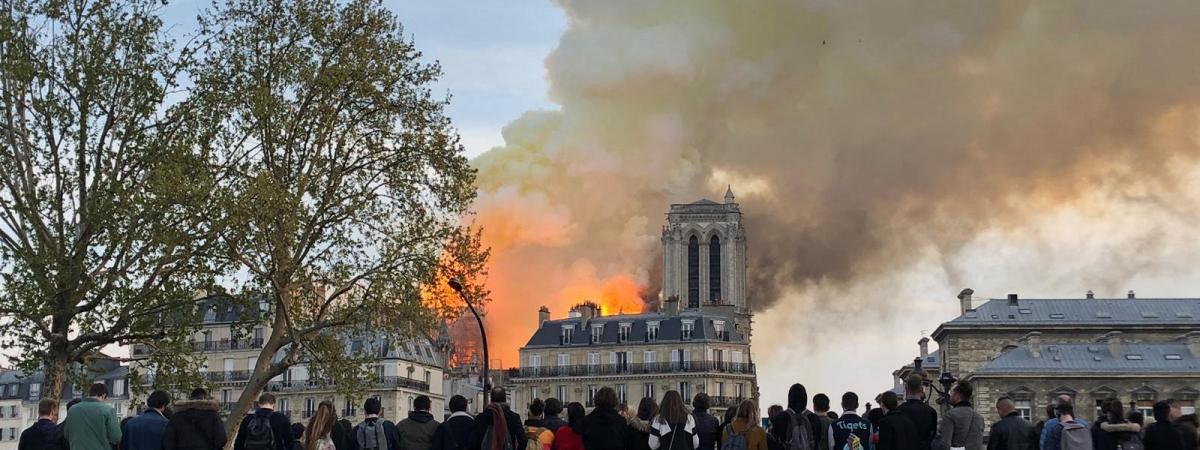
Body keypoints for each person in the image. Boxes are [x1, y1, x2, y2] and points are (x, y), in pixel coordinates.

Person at [64, 382, 123, 450]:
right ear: (103, 395)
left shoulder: (72, 410)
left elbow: (67, 434)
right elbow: (116, 437)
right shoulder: (108, 410)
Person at [937, 381, 984, 450]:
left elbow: (945, 444)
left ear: (957, 396)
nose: (950, 396)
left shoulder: (950, 415)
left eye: (952, 393)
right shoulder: (979, 418)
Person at [897, 375, 937, 450]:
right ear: (921, 389)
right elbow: (932, 435)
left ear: (906, 389)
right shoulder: (930, 411)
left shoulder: (898, 411)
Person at [779, 384, 823, 450]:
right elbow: (817, 441)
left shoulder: (781, 418)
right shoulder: (814, 418)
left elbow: (777, 442)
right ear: (805, 398)